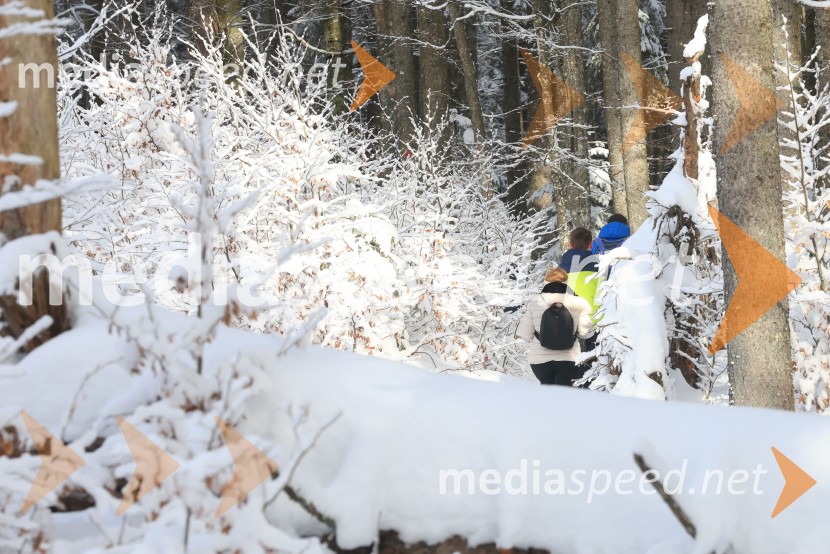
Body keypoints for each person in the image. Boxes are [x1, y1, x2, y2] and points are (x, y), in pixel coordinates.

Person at [516, 268, 595, 386]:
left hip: (540, 362)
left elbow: (526, 334)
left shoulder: (534, 303)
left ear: (546, 283)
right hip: (569, 361)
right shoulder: (578, 303)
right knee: (565, 397)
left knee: (547, 395)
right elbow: (586, 333)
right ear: (566, 283)